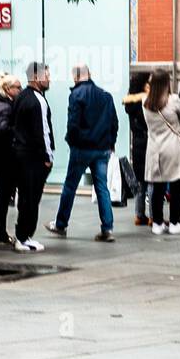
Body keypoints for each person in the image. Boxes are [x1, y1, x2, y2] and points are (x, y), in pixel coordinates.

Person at [45, 64, 119, 243]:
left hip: (82, 149)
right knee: (102, 187)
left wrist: (73, 142)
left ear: (75, 78)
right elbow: (114, 122)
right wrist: (111, 143)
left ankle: (61, 224)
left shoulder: (76, 95)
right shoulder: (105, 95)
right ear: (90, 74)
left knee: (70, 186)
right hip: (102, 149)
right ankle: (107, 228)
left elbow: (73, 123)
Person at [143, 69, 180, 235]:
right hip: (173, 147)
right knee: (176, 185)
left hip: (154, 148)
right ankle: (174, 222)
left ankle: (157, 223)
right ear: (167, 82)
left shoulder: (145, 102)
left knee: (157, 187)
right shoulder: (173, 101)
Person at [11, 62, 54, 252]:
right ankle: (24, 237)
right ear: (36, 78)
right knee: (31, 198)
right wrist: (48, 156)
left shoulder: (20, 97)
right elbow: (43, 132)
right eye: (47, 75)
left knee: (25, 197)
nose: (49, 79)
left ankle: (23, 235)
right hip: (34, 157)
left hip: (20, 155)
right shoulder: (38, 100)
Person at [0, 73, 22, 246]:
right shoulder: (5, 107)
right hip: (6, 158)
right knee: (3, 195)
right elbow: (3, 129)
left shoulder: (3, 104)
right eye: (18, 87)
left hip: (2, 158)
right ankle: (0, 231)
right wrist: (18, 131)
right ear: (8, 89)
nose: (21, 89)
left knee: (3, 194)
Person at [122, 72, 151, 226]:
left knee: (140, 181)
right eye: (148, 83)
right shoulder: (144, 102)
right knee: (152, 180)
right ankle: (153, 216)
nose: (150, 86)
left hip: (137, 142)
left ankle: (139, 214)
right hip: (148, 142)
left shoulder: (130, 102)